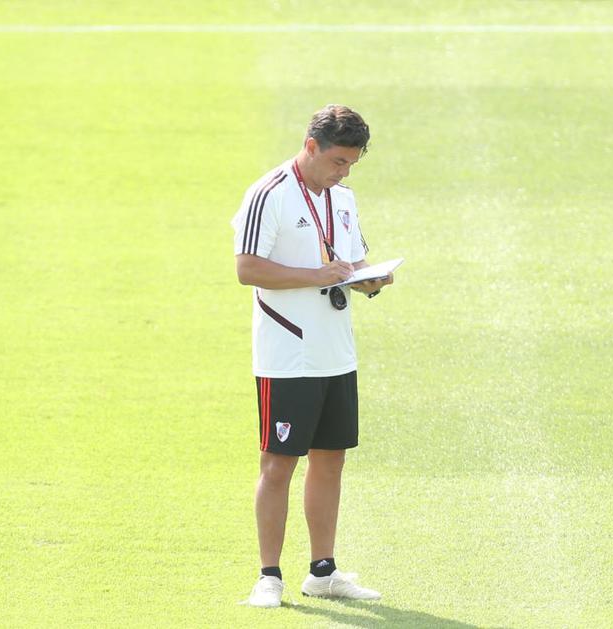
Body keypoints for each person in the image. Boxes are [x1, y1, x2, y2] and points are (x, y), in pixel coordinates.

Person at [231, 105, 395, 608]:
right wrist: (315, 277)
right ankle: (268, 577)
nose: (344, 172)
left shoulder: (342, 198)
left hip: (335, 352)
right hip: (287, 355)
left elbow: (352, 260)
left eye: (351, 163)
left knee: (331, 460)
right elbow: (247, 268)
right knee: (278, 463)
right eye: (338, 161)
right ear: (311, 147)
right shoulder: (268, 194)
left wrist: (368, 279)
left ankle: (323, 571)